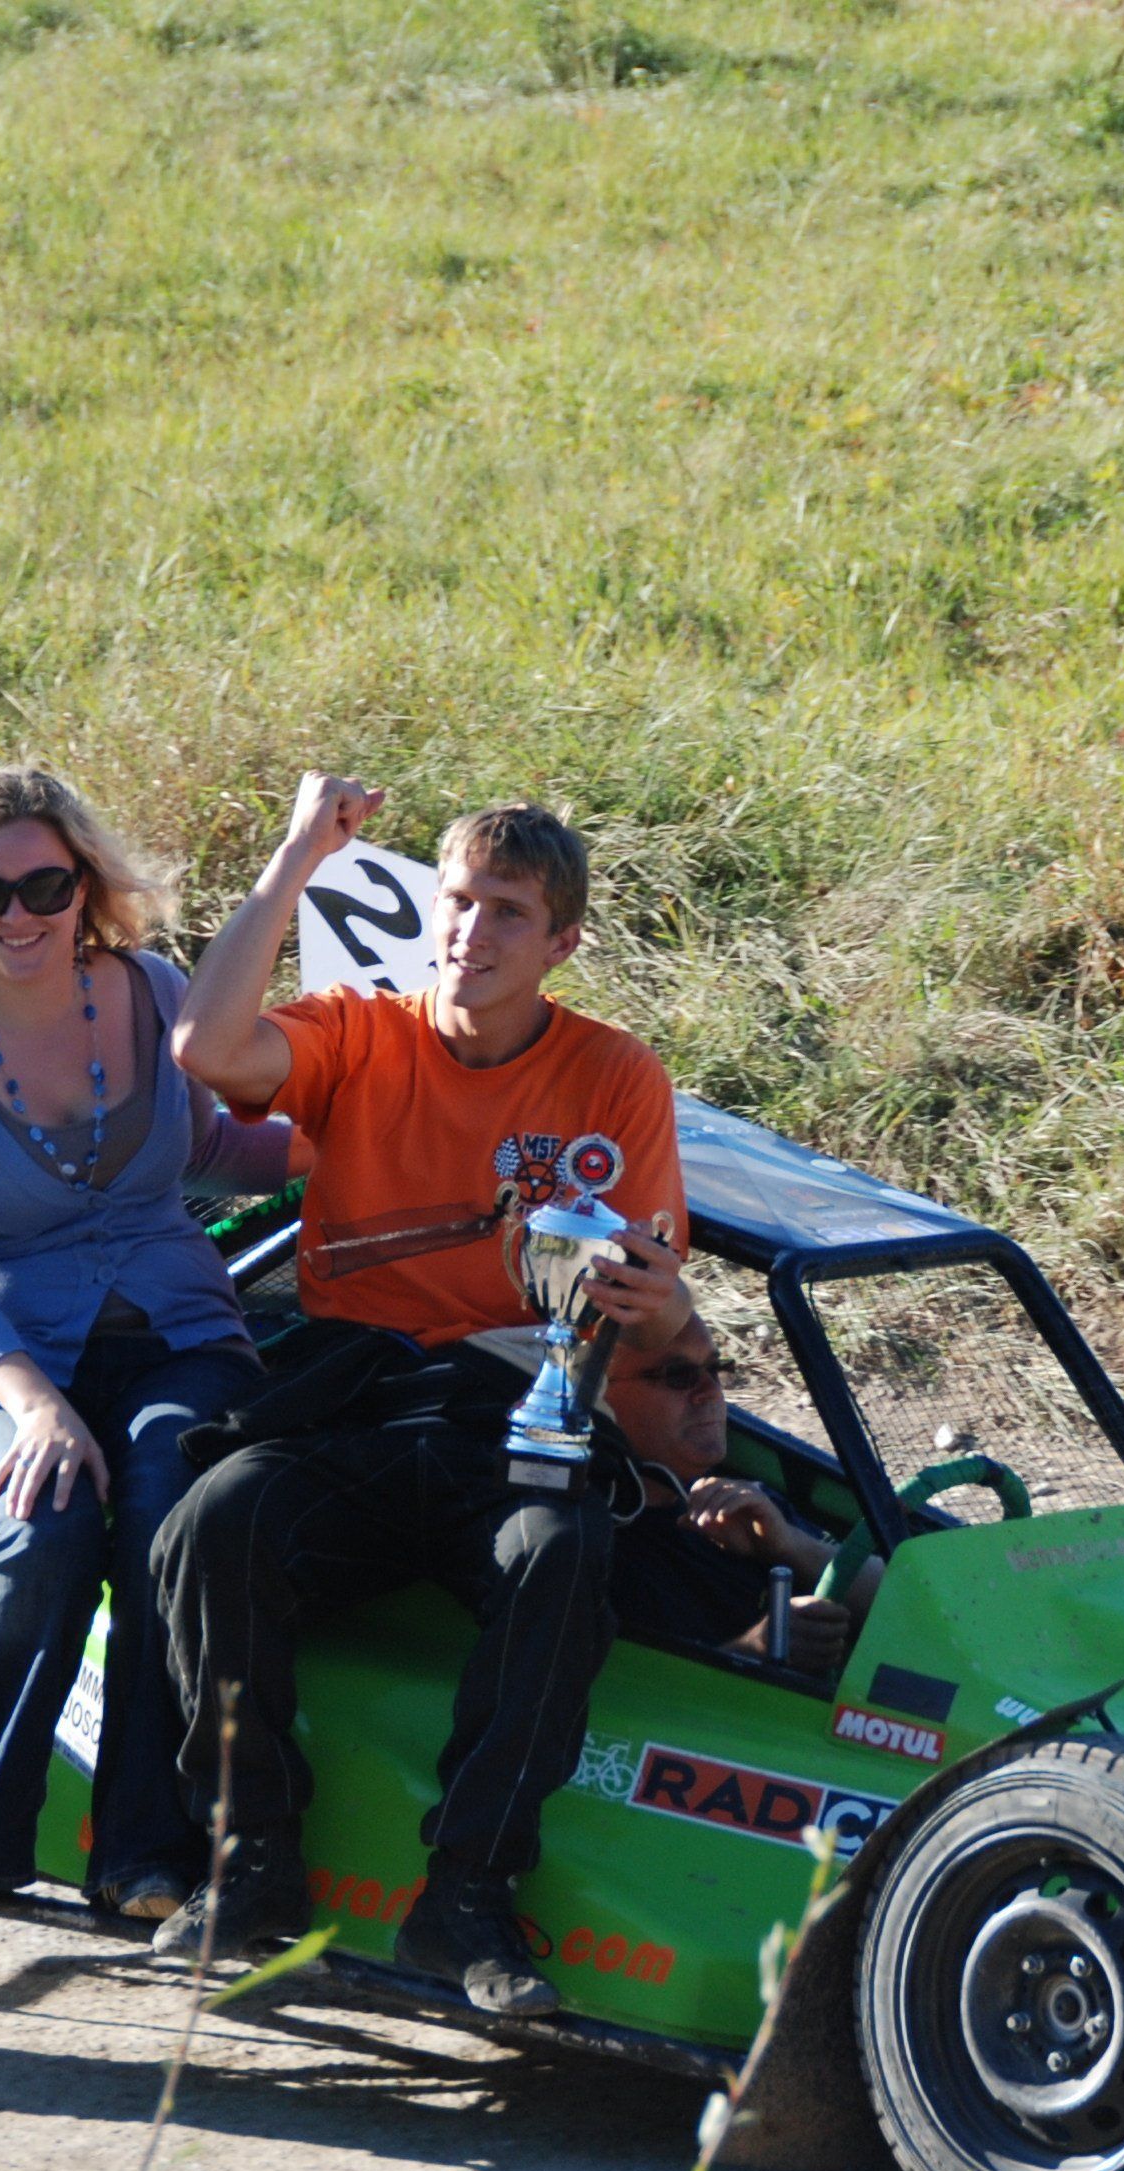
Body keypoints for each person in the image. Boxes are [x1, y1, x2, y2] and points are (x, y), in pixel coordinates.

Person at [150, 774, 685, 2011]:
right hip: (358, 1408)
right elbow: (204, 1049)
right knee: (212, 1522)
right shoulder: (360, 1033)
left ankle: (466, 1899)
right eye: (457, 900)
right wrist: (298, 854)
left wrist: (648, 1293)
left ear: (560, 944)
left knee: (560, 1555)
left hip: (513, 1420)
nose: (470, 931)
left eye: (507, 912)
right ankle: (250, 1862)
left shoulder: (615, 1076)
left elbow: (654, 1303)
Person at [0, 765, 293, 1925]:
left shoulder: (152, 991)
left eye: (43, 885)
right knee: (40, 1517)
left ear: (84, 886)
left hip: (177, 1333)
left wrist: (369, 1134)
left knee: (167, 1513)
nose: (18, 915)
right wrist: (36, 1405)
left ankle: (141, 1853)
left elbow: (214, 1151)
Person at [590, 1311, 878, 1672]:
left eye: (715, 1369)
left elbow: (909, 1598)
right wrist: (752, 1652)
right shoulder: (585, 1546)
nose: (711, 1392)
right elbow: (599, 1693)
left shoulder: (743, 1504)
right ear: (598, 1396)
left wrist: (788, 1545)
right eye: (678, 1376)